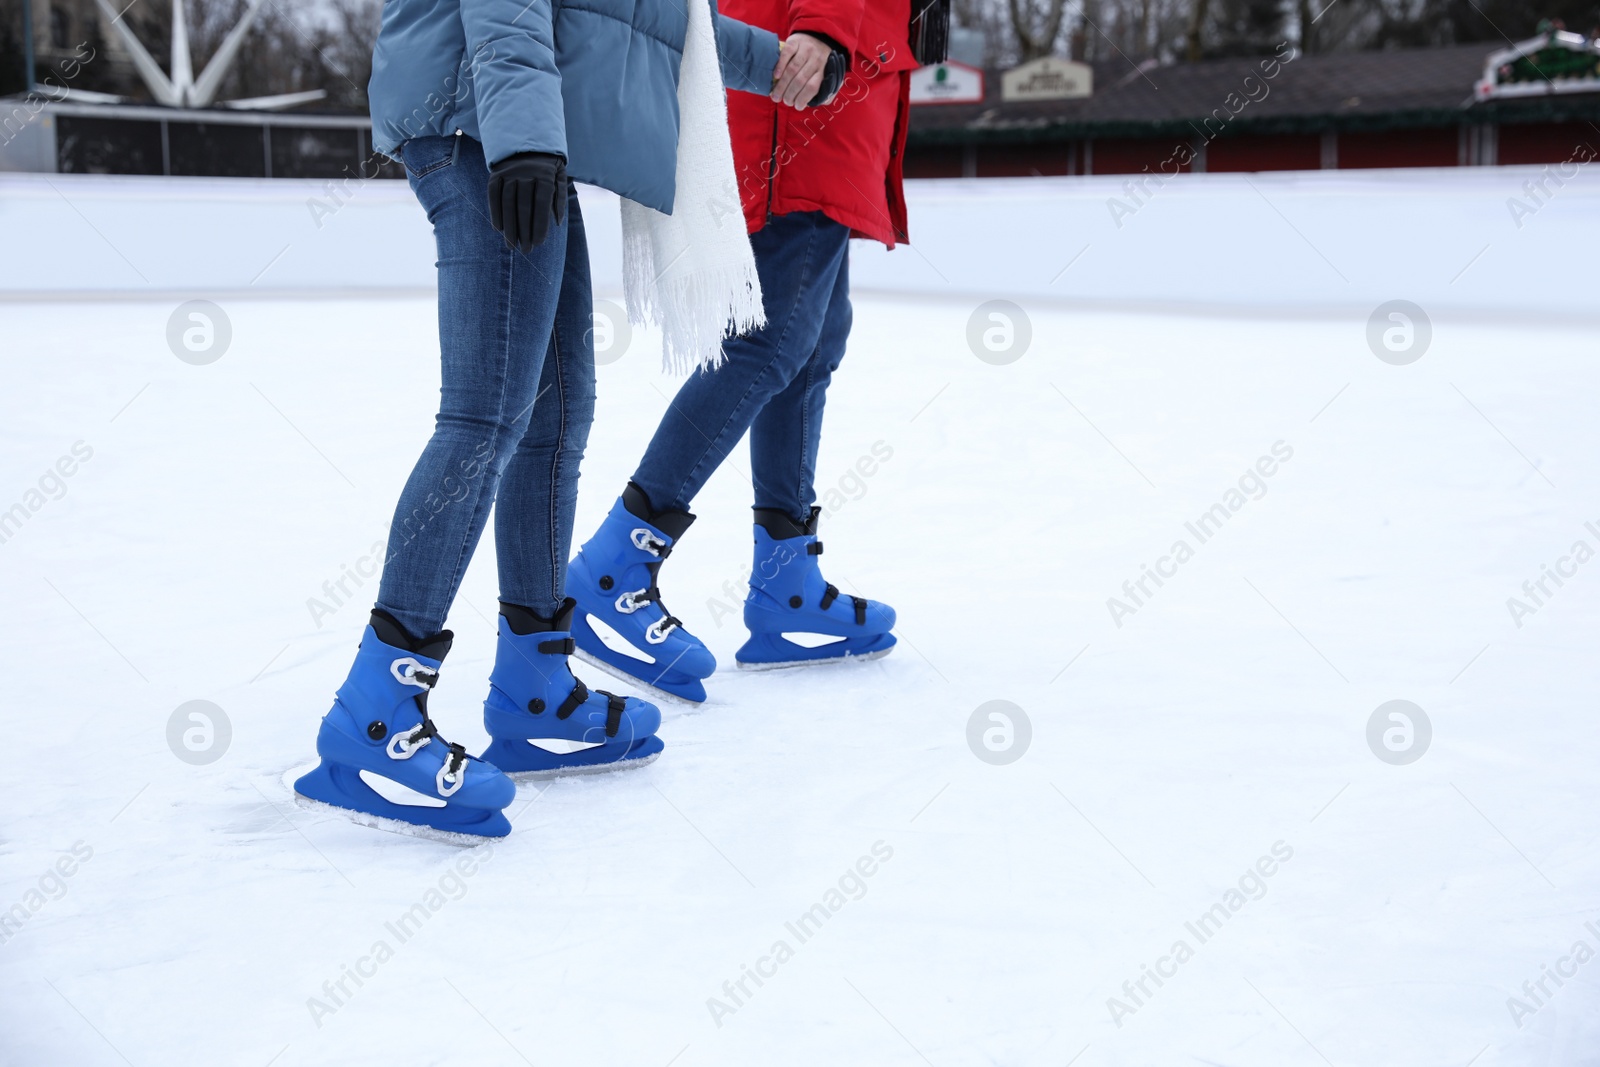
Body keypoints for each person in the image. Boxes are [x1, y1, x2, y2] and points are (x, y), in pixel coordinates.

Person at [293, 1, 807, 841]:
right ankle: (374, 714)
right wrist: (524, 136)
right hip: (478, 117)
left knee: (557, 414)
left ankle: (535, 682)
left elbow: (638, 15)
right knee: (486, 413)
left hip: (521, 118)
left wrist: (783, 63)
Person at [566, 0, 929, 704]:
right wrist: (825, 25)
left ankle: (786, 580)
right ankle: (612, 569)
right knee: (769, 342)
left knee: (817, 340)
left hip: (841, 82)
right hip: (811, 84)